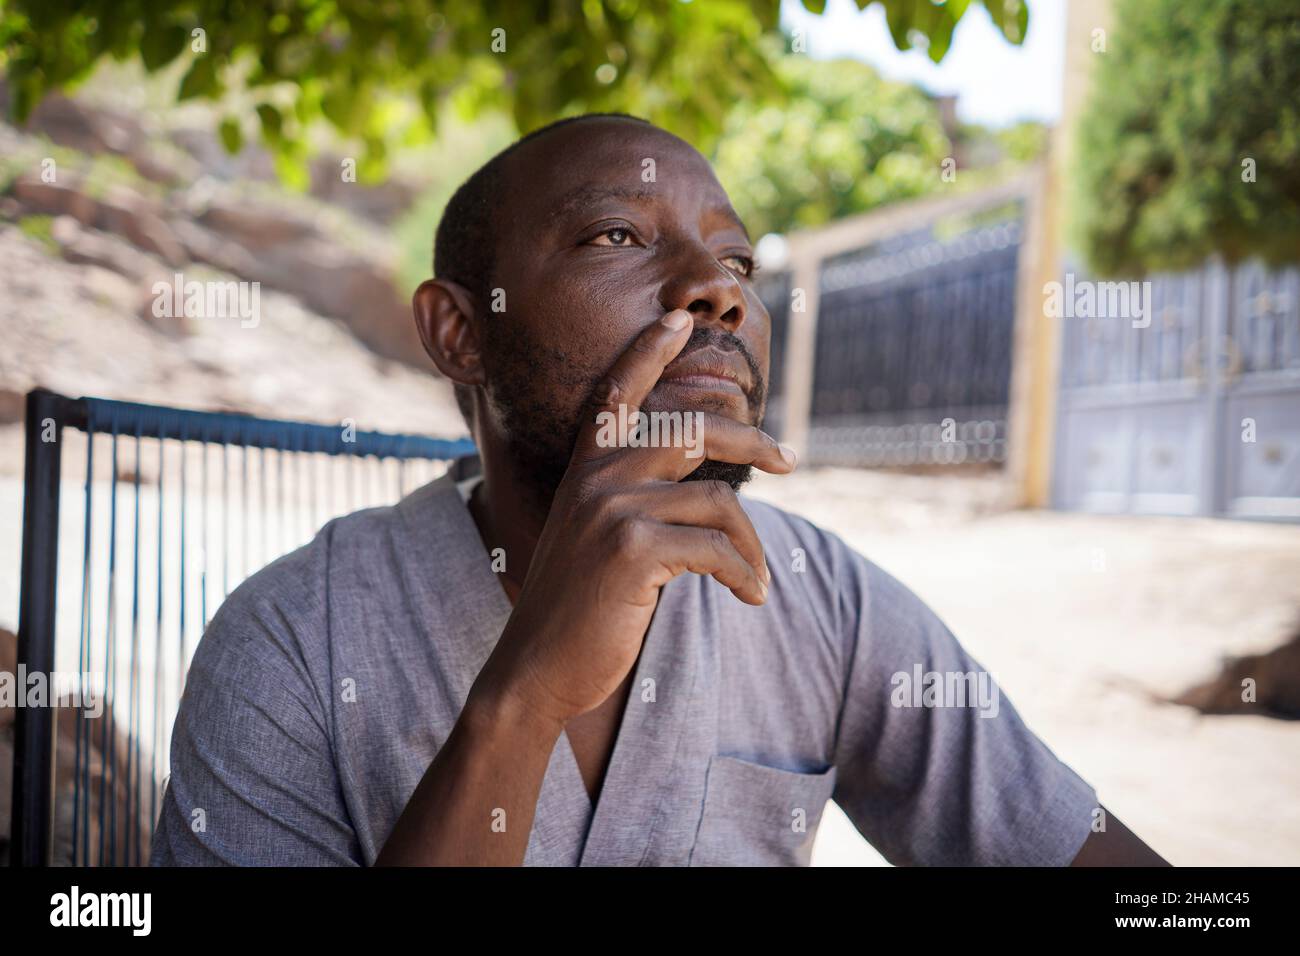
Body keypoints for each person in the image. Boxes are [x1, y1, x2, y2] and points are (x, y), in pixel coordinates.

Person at [151, 113, 1167, 866]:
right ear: (459, 330)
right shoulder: (292, 639)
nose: (718, 288)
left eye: (736, 259)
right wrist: (525, 695)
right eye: (615, 237)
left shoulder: (819, 598)